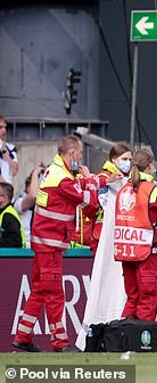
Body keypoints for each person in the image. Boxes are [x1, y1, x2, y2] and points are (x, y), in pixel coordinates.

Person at [13, 135, 102, 352]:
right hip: (50, 245)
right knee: (54, 294)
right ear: (72, 153)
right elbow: (89, 201)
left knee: (39, 290)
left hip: (45, 243)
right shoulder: (62, 179)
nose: (81, 158)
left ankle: (23, 336)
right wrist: (91, 180)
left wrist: (98, 180)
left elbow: (77, 185)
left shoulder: (56, 172)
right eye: (79, 153)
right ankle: (60, 343)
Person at [114, 148, 157, 321]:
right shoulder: (152, 190)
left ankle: (125, 333)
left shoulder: (123, 189)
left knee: (132, 298)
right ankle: (142, 336)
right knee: (148, 299)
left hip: (126, 251)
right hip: (145, 251)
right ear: (150, 165)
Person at [77, 142, 130, 254]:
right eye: (124, 159)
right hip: (102, 233)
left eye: (130, 160)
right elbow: (91, 207)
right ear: (114, 159)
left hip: (120, 233)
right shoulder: (103, 178)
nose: (128, 163)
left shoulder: (128, 179)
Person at [13, 164, 44, 246]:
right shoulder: (19, 202)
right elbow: (33, 196)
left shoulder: (45, 203)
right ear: (28, 186)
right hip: (27, 247)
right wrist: (35, 174)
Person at [0, 182, 24, 247]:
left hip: (14, 253)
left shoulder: (8, 216)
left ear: (2, 198)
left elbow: (14, 241)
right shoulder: (3, 213)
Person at [0, 115, 19, 182]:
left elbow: (14, 171)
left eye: (5, 127)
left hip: (7, 186)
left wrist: (5, 153)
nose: (4, 130)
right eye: (0, 127)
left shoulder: (11, 147)